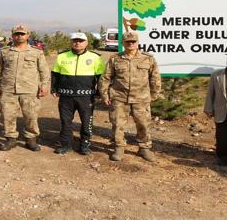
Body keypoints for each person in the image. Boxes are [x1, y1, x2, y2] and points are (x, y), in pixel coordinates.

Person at [99, 31, 161, 162]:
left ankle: (144, 148)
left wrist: (154, 95)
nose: (131, 44)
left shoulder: (148, 59)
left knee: (143, 124)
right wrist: (104, 95)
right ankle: (119, 147)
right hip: (119, 98)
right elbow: (105, 77)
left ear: (137, 43)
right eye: (128, 42)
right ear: (123, 43)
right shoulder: (115, 59)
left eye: (133, 42)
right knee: (117, 124)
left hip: (141, 98)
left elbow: (155, 78)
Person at [0, 24, 50, 152]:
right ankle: (11, 139)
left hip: (29, 90)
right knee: (8, 115)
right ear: (12, 35)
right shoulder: (4, 51)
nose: (19, 36)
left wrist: (45, 85)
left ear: (28, 35)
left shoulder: (36, 52)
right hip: (8, 89)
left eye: (22, 34)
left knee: (31, 115)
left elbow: (44, 70)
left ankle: (31, 139)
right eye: (17, 34)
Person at [51, 32, 105, 155]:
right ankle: (66, 145)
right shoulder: (62, 56)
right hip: (66, 96)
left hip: (86, 96)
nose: (77, 43)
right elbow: (55, 74)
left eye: (80, 41)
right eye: (75, 40)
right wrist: (54, 88)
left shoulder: (95, 57)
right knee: (66, 121)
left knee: (87, 121)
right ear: (71, 42)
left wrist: (99, 92)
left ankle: (85, 145)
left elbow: (101, 77)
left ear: (86, 43)